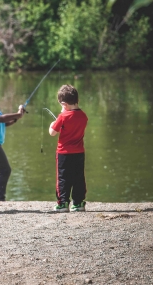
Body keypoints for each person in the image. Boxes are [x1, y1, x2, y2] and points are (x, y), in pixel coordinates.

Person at [49, 84, 88, 212]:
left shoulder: (63, 116)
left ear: (64, 104)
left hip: (64, 153)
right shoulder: (83, 116)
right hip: (79, 152)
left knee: (63, 178)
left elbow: (53, 132)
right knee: (78, 177)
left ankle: (63, 203)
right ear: (78, 100)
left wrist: (52, 124)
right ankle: (78, 203)